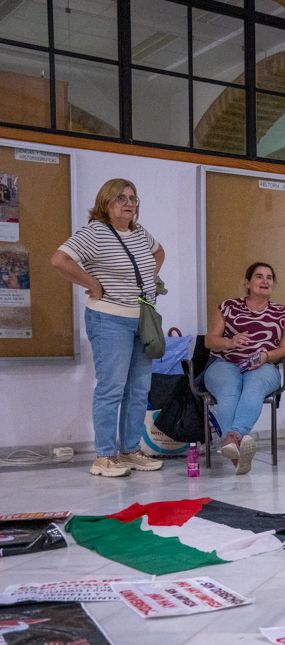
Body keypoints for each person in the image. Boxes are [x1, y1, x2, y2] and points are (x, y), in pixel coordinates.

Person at [51, 178, 166, 478]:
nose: (128, 203)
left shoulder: (139, 233)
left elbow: (159, 252)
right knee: (111, 388)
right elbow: (59, 260)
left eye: (132, 198)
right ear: (106, 203)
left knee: (139, 389)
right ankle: (103, 456)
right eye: (120, 198)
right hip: (109, 318)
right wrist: (92, 283)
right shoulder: (95, 232)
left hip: (142, 318)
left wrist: (148, 283)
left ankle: (130, 451)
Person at [202, 262, 285, 475]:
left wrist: (266, 356)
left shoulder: (284, 313)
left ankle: (232, 437)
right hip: (224, 363)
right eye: (259, 276)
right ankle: (237, 445)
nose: (265, 281)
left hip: (264, 365)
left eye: (269, 277)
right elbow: (210, 341)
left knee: (253, 384)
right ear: (247, 282)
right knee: (229, 387)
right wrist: (230, 343)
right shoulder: (228, 306)